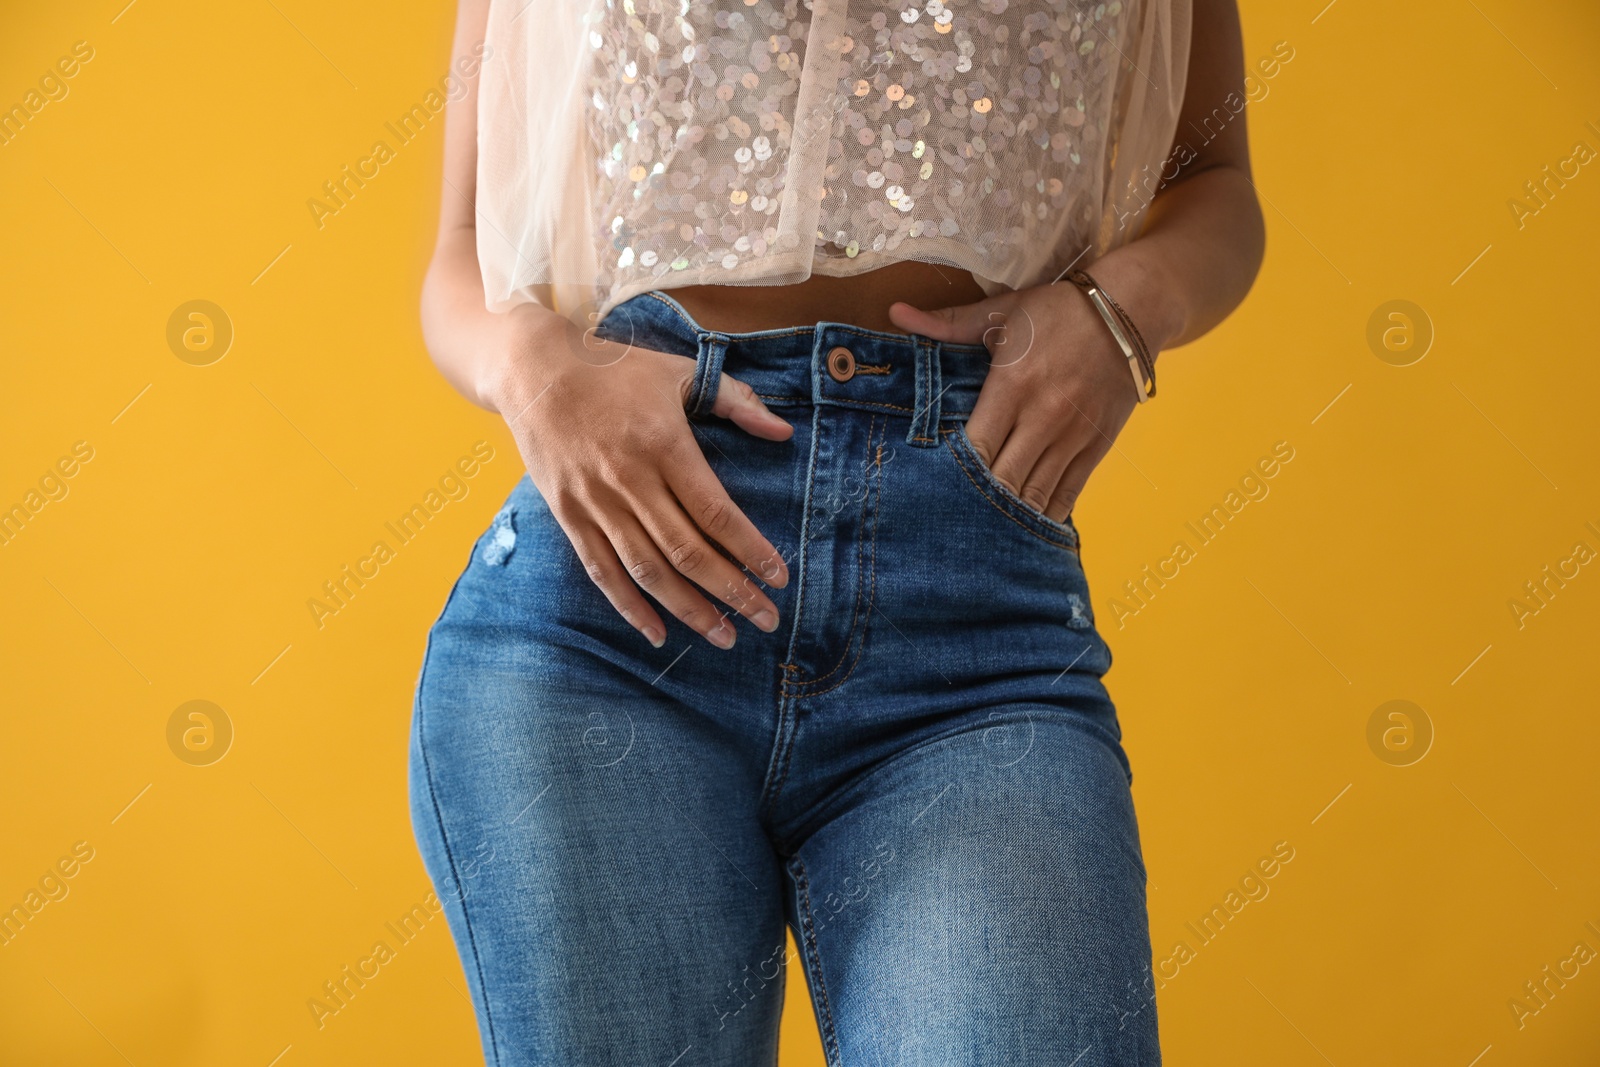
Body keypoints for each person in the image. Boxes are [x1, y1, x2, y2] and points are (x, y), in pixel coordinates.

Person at [409, 0, 1263, 1061]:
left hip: (968, 621)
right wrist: (526, 366)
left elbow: (1214, 180)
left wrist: (1121, 307)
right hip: (611, 615)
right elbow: (457, 254)